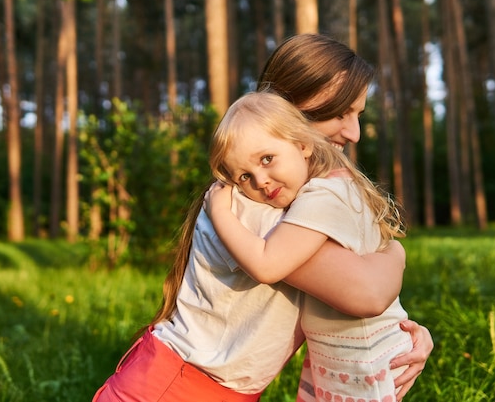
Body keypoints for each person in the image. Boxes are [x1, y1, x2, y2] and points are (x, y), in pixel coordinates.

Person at [92, 34, 431, 402]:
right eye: (337, 113)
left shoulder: (285, 199)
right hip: (174, 389)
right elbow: (366, 292)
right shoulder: (254, 208)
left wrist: (407, 334)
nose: (354, 133)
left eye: (358, 114)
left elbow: (355, 290)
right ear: (285, 114)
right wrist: (396, 254)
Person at [207, 91, 412, 402]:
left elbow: (266, 264)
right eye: (245, 176)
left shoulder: (322, 197)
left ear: (303, 144)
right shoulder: (329, 188)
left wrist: (220, 211)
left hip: (360, 365)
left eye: (267, 159)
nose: (261, 181)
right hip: (337, 355)